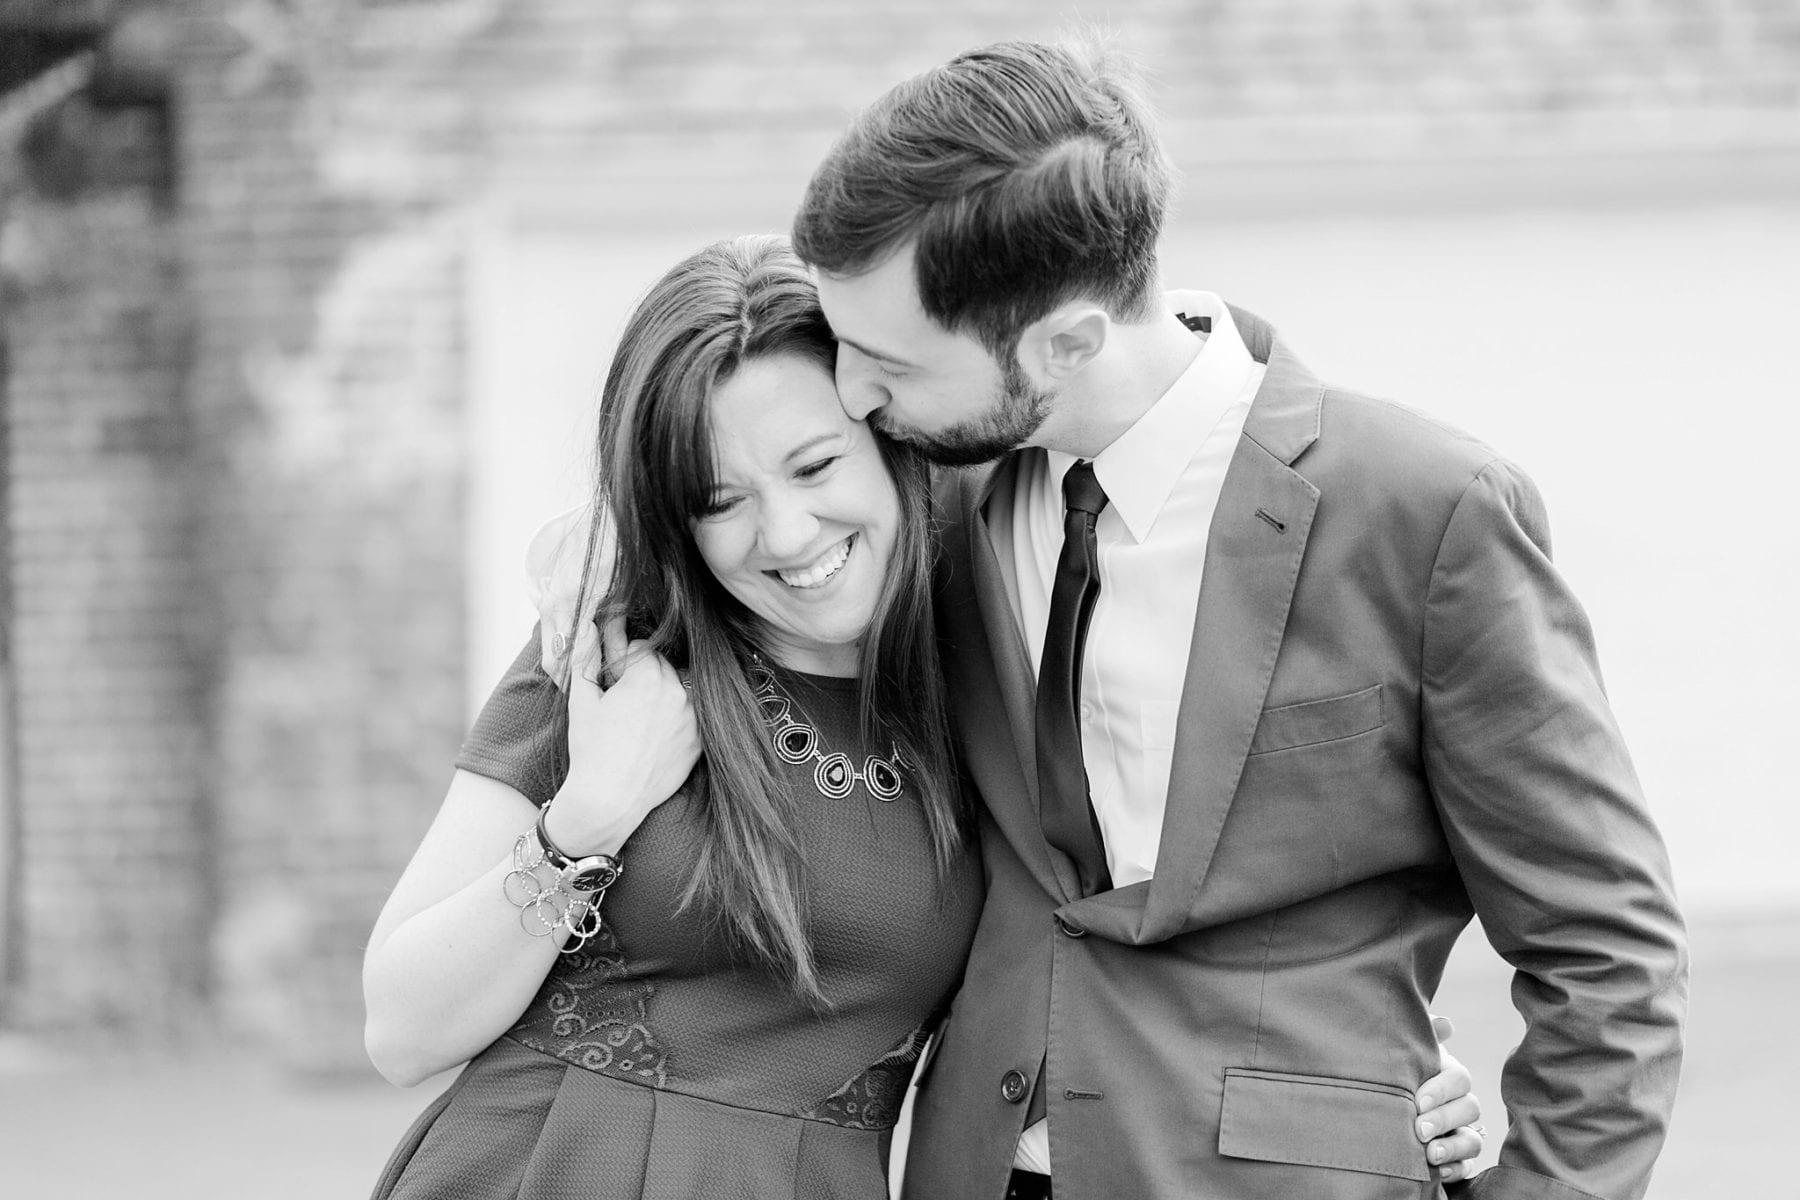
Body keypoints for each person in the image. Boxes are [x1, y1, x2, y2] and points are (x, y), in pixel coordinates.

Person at [365, 236, 1485, 1200]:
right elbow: (402, 1027)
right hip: (546, 1166)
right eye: (719, 501)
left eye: (814, 466)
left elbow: (1173, 892)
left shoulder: (997, 661)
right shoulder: (621, 655)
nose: (787, 534)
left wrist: (1380, 1056)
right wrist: (587, 819)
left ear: (891, 433)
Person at [774, 34, 1689, 1200]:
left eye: (884, 359)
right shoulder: (929, 496)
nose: (851, 394)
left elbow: (1606, 951)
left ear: (1066, 343)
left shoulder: (1423, 513)